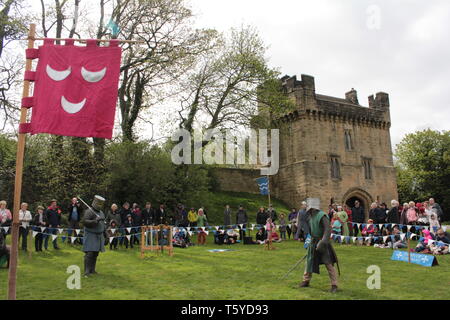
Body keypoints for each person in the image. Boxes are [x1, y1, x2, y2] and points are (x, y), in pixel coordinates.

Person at [299, 198, 339, 293]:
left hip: (322, 242)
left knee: (328, 264)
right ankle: (306, 280)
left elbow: (327, 229)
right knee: (309, 262)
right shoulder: (310, 216)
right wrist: (308, 241)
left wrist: (323, 241)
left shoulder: (322, 216)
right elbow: (310, 230)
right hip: (313, 242)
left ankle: (334, 284)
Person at [82, 195, 106, 276]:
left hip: (99, 235)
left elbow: (103, 224)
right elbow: (85, 222)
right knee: (90, 253)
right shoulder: (89, 211)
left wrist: (106, 234)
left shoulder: (101, 213)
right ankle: (87, 271)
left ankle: (92, 270)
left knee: (95, 253)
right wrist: (95, 221)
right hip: (91, 234)